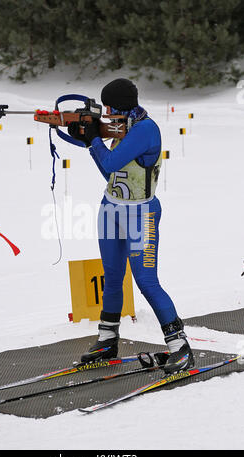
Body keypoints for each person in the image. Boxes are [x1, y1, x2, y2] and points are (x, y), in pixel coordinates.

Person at [68, 78, 194, 374]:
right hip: (111, 209)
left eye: (108, 107)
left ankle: (180, 346)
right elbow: (108, 172)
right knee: (112, 277)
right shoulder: (121, 125)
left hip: (141, 215)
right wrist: (75, 133)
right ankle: (107, 340)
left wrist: (93, 139)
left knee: (146, 280)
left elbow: (110, 162)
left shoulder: (145, 130)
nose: (107, 113)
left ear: (115, 105)